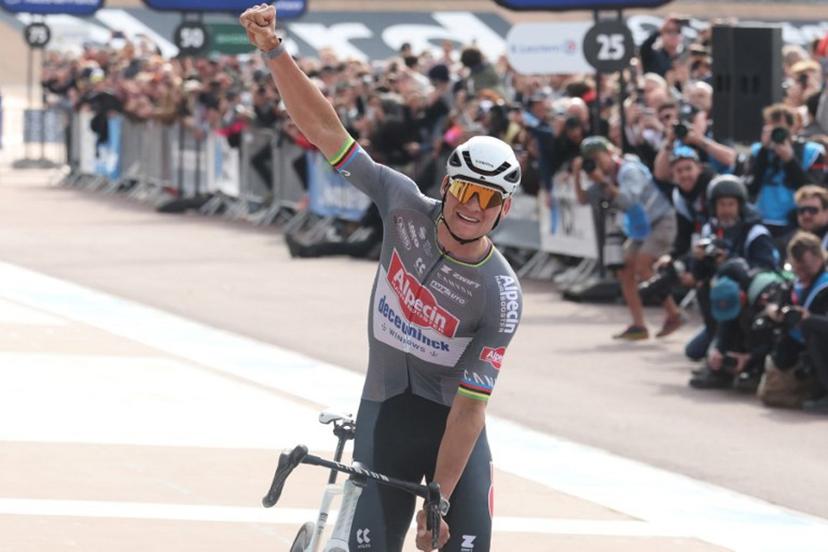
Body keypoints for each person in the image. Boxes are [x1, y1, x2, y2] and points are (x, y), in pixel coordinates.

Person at [240, 6, 522, 551]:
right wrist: (274, 51)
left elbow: (469, 408)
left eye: (489, 200)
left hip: (452, 425)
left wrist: (437, 500)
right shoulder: (401, 203)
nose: (473, 207)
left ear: (503, 210)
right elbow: (327, 131)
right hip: (387, 408)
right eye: (465, 191)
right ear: (447, 186)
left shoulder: (500, 291)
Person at [573, 136, 680, 340]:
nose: (596, 163)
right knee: (625, 270)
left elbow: (629, 201)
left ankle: (673, 314)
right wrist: (578, 174)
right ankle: (639, 325)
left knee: (643, 265)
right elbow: (583, 199)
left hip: (660, 221)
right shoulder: (604, 177)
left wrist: (602, 181)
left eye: (597, 157)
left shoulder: (629, 170)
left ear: (610, 152)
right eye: (591, 160)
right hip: (640, 228)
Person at [746, 103, 826, 237]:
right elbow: (751, 187)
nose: (776, 133)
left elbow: (814, 190)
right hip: (762, 220)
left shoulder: (812, 152)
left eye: (780, 128)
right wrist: (764, 152)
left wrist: (790, 160)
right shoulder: (758, 151)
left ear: (793, 127)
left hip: (795, 221)